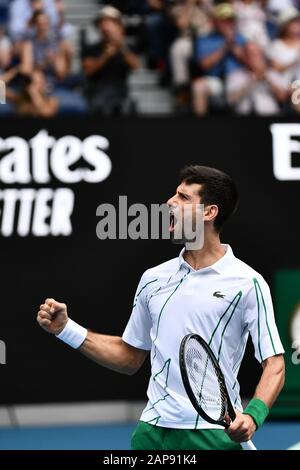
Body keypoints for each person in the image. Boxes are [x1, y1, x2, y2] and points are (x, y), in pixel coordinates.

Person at [37, 165, 285, 450]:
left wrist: (253, 415)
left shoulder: (247, 283)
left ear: (209, 212)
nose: (170, 202)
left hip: (211, 434)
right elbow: (130, 356)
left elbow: (274, 364)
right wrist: (65, 329)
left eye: (183, 197)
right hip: (151, 433)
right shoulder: (153, 279)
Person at [81, 6, 139, 115]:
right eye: (103, 23)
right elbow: (88, 71)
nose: (106, 27)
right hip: (97, 91)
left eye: (111, 23)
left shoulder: (126, 48)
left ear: (119, 27)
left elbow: (135, 66)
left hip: (121, 91)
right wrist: (106, 55)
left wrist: (121, 47)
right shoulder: (91, 48)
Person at [192, 3, 248, 115]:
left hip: (238, 78)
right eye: (224, 20)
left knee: (245, 84)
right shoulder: (205, 39)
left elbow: (250, 63)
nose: (228, 24)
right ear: (215, 22)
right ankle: (199, 127)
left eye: (230, 20)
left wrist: (235, 48)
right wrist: (224, 48)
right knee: (198, 86)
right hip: (216, 80)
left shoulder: (241, 39)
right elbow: (204, 65)